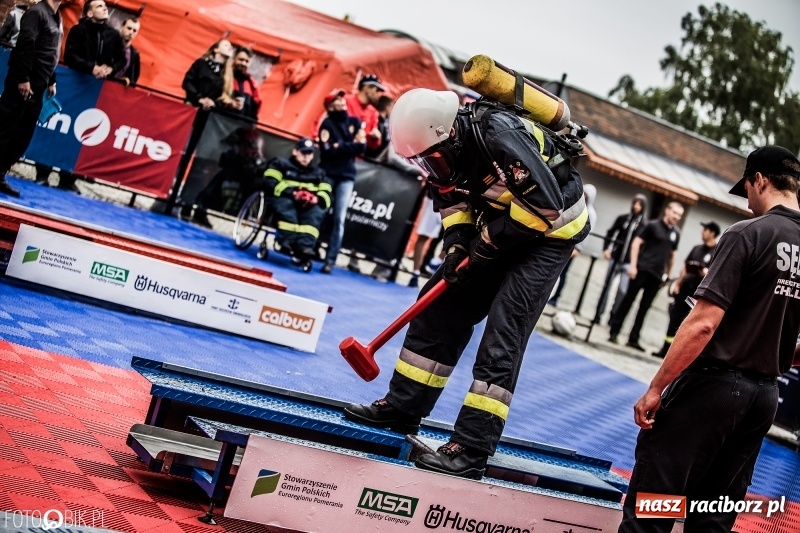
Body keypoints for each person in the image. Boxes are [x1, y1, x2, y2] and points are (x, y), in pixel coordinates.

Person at [344, 88, 590, 479]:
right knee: (440, 303)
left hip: (551, 234)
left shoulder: (499, 136)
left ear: (450, 134)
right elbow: (451, 200)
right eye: (423, 162)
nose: (431, 166)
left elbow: (545, 207)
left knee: (503, 332)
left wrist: (488, 244)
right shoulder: (439, 154)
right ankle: (403, 409)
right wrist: (458, 246)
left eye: (432, 158)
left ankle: (471, 448)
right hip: (504, 223)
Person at [618, 145, 800, 533]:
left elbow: (702, 324)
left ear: (760, 180)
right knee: (714, 514)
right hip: (764, 398)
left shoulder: (748, 234)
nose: (748, 202)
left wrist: (657, 387)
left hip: (714, 389)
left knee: (655, 503)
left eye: (748, 190)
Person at [38, 0, 124, 193]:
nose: (104, 8)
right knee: (58, 129)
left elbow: (121, 59)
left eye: (105, 5)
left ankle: (68, 179)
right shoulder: (78, 30)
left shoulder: (113, 35)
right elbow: (70, 55)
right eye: (99, 6)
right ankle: (42, 173)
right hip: (74, 85)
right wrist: (90, 67)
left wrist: (110, 69)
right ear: (89, 13)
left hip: (96, 92)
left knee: (82, 135)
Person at [0, 0, 66, 198]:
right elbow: (25, 45)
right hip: (24, 81)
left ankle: (0, 172)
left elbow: (51, 50)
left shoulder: (57, 15)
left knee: (22, 135)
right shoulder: (37, 12)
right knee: (5, 128)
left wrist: (51, 80)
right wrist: (23, 78)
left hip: (39, 84)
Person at [608, 201, 684, 351]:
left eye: (679, 215)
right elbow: (636, 243)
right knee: (627, 301)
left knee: (644, 308)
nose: (676, 217)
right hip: (641, 270)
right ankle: (614, 332)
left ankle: (633, 338)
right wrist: (633, 265)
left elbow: (672, 256)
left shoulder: (676, 234)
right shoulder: (652, 225)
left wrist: (667, 275)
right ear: (667, 211)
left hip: (657, 276)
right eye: (675, 213)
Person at [179, 39, 236, 225]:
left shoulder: (227, 74)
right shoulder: (201, 64)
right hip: (192, 115)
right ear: (216, 48)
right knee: (181, 155)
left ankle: (187, 202)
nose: (229, 48)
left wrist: (218, 103)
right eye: (226, 45)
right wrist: (199, 98)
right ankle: (167, 196)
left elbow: (225, 97)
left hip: (210, 123)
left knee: (200, 163)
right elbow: (187, 82)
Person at [651, 221, 720, 358]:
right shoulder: (697, 248)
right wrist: (678, 283)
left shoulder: (717, 251)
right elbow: (685, 267)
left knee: (688, 322)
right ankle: (665, 349)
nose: (702, 232)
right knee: (674, 317)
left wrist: (705, 272)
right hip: (685, 289)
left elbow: (716, 274)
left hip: (698, 293)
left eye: (705, 230)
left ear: (712, 233)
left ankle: (679, 354)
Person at [317, 88, 366, 274]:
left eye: (342, 98)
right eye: (337, 99)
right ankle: (309, 248)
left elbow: (361, 146)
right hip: (327, 173)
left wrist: (340, 145)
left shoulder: (354, 121)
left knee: (339, 218)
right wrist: (348, 146)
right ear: (330, 105)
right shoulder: (326, 124)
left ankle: (330, 260)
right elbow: (327, 150)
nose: (342, 100)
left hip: (346, 176)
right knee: (319, 211)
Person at [261, 138, 331, 263]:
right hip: (283, 198)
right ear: (295, 151)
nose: (306, 156)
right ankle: (286, 242)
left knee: (316, 213)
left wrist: (316, 199)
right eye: (303, 152)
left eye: (309, 153)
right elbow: (269, 183)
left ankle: (305, 247)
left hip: (307, 204)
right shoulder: (280, 164)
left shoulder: (319, 173)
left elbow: (327, 194)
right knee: (287, 208)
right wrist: (292, 193)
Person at [188, 126, 265, 227]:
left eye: (235, 148)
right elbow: (204, 199)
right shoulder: (226, 174)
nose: (230, 152)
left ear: (248, 149)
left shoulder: (257, 178)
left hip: (239, 225)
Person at [547, 183, 598, 306]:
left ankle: (556, 297)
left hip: (573, 247)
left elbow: (587, 233)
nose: (584, 196)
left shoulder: (591, 213)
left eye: (587, 195)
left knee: (563, 273)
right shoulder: (574, 205)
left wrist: (578, 249)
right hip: (563, 243)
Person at [600, 194, 648, 319]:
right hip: (615, 258)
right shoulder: (623, 218)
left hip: (628, 263)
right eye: (635, 203)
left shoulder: (644, 225)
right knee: (606, 286)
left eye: (639, 204)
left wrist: (636, 263)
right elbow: (611, 232)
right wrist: (606, 248)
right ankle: (598, 314)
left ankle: (613, 316)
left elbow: (643, 246)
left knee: (622, 291)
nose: (636, 206)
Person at [231, 46, 261, 120]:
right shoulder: (224, 76)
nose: (243, 63)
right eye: (241, 60)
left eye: (247, 61)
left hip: (239, 128)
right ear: (234, 59)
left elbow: (255, 108)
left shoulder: (251, 84)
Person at [113, 17, 140, 86]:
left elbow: (133, 79)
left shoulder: (134, 54)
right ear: (122, 27)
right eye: (129, 28)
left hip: (116, 92)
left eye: (134, 31)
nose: (131, 32)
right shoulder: (109, 44)